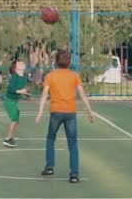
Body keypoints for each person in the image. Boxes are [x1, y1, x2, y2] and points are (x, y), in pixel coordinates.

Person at [35, 50, 95, 183]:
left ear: (56, 62)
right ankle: (74, 174)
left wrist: (39, 113)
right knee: (72, 143)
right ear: (70, 62)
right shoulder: (74, 76)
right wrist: (90, 111)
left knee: (51, 138)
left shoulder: (50, 76)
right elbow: (82, 94)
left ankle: (50, 167)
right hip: (70, 112)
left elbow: (44, 95)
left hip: (56, 112)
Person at [2, 60, 30, 148]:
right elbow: (10, 89)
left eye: (22, 62)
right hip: (9, 101)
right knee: (15, 119)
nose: (22, 63)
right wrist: (20, 91)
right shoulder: (14, 77)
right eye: (19, 63)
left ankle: (10, 137)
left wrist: (25, 93)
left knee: (16, 121)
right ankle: (7, 139)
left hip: (15, 101)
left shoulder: (25, 76)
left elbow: (21, 88)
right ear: (15, 68)